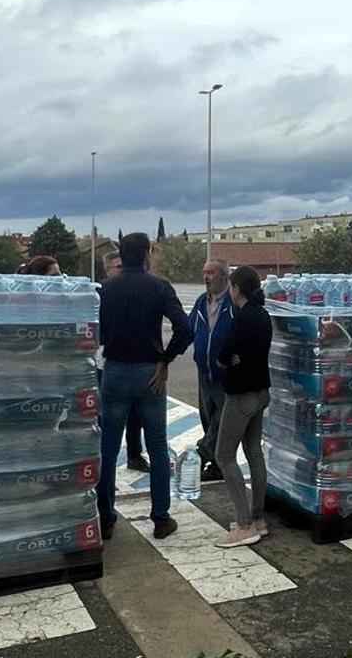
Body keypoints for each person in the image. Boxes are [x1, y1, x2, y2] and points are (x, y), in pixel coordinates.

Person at [97, 232, 193, 540]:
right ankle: (161, 518)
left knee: (108, 448)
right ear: (148, 253)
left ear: (121, 256)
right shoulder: (159, 287)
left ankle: (106, 517)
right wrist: (165, 359)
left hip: (114, 371)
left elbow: (96, 332)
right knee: (157, 444)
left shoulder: (106, 290)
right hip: (149, 372)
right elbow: (185, 329)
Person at [212, 265, 272, 548]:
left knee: (224, 455)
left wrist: (228, 358)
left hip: (241, 396)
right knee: (253, 451)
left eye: (232, 288)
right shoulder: (263, 316)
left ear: (237, 289)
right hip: (261, 392)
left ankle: (244, 524)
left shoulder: (242, 318)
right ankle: (258, 517)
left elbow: (224, 354)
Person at [99, 250, 148, 473]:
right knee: (107, 417)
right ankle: (102, 463)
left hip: (132, 362)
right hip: (104, 363)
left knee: (135, 414)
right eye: (118, 268)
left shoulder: (131, 289)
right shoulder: (100, 293)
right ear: (108, 270)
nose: (122, 271)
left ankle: (134, 454)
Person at [188, 258, 234, 482]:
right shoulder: (200, 302)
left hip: (225, 374)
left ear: (224, 277)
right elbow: (189, 330)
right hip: (204, 372)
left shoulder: (233, 303)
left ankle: (201, 453)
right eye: (204, 272)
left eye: (211, 272)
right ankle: (217, 466)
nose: (206, 277)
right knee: (207, 416)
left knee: (221, 420)